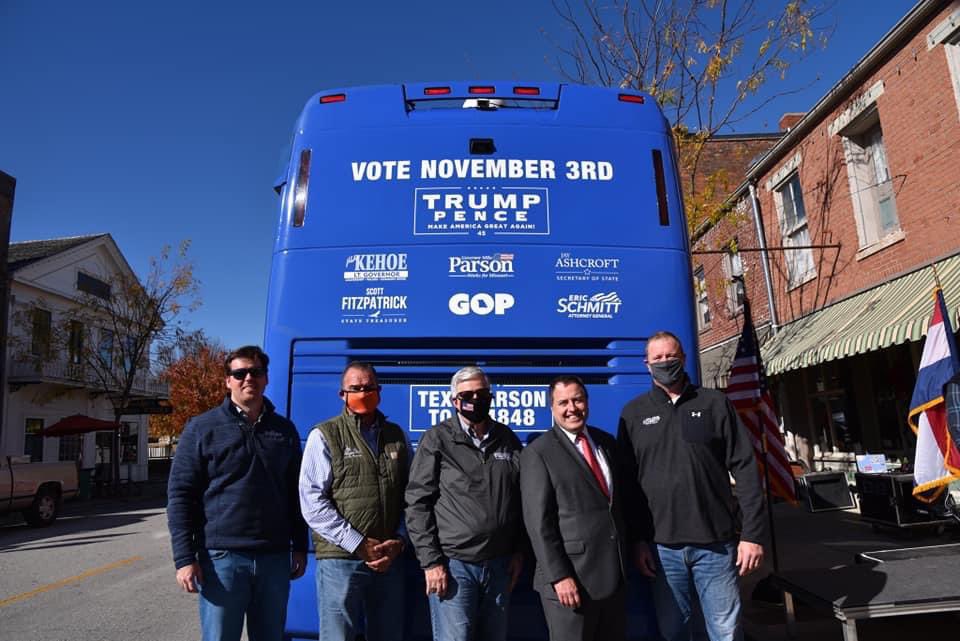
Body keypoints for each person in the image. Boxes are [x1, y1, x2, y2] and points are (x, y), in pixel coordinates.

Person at [617, 331, 766, 641]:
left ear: (683, 359)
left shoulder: (715, 403)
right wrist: (638, 541)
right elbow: (627, 487)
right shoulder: (633, 414)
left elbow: (746, 469)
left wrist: (752, 535)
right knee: (674, 632)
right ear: (647, 365)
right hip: (661, 549)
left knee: (726, 632)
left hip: (716, 545)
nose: (664, 362)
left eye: (670, 356)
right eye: (657, 358)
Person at [167, 345, 307, 641]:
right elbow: (181, 496)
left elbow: (297, 494)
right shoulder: (202, 428)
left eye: (255, 372)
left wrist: (299, 545)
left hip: (274, 558)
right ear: (227, 380)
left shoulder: (285, 431)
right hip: (222, 560)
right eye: (239, 373)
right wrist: (184, 558)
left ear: (266, 378)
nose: (248, 379)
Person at [405, 366, 525, 641]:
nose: (475, 399)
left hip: (499, 566)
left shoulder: (506, 439)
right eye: (467, 394)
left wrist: (519, 550)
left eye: (482, 393)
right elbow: (417, 502)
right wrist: (431, 562)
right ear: (454, 400)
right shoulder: (437, 439)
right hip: (454, 566)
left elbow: (521, 499)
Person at [298, 362, 409, 641]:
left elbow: (413, 496)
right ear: (342, 394)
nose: (363, 392)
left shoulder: (397, 436)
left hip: (388, 558)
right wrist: (357, 543)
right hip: (341, 560)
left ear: (379, 391)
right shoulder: (324, 435)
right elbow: (311, 501)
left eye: (369, 387)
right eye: (355, 388)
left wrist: (400, 539)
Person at [521, 375, 627, 641]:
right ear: (552, 408)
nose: (572, 408)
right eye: (563, 402)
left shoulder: (606, 442)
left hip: (614, 577)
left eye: (577, 400)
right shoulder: (538, 453)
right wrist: (559, 577)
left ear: (587, 402)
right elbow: (538, 524)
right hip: (570, 582)